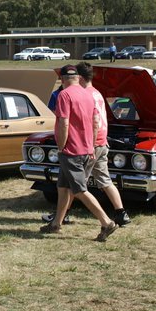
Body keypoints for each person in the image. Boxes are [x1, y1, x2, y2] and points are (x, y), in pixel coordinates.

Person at [40, 64, 118, 242]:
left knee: (80, 190)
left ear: (62, 79)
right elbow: (96, 122)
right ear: (77, 77)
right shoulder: (89, 94)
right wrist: (91, 146)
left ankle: (106, 222)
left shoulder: (64, 95)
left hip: (71, 150)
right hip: (87, 148)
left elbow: (64, 123)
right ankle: (56, 224)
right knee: (63, 187)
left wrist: (61, 146)